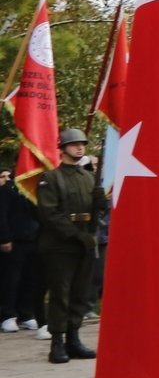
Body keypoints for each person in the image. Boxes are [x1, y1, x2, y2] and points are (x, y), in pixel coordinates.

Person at [35, 128, 104, 364]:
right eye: (74, 144)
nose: (79, 147)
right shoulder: (50, 178)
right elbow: (50, 214)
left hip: (84, 243)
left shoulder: (88, 178)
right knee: (60, 295)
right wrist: (76, 235)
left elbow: (96, 210)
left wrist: (100, 202)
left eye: (82, 144)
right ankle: (57, 343)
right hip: (60, 246)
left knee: (80, 295)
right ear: (62, 148)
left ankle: (73, 339)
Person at [0, 167, 41, 334]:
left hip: (33, 239)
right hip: (14, 241)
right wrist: (4, 238)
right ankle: (7, 315)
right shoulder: (7, 190)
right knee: (11, 280)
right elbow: (1, 215)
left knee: (29, 279)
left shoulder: (37, 188)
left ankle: (25, 314)